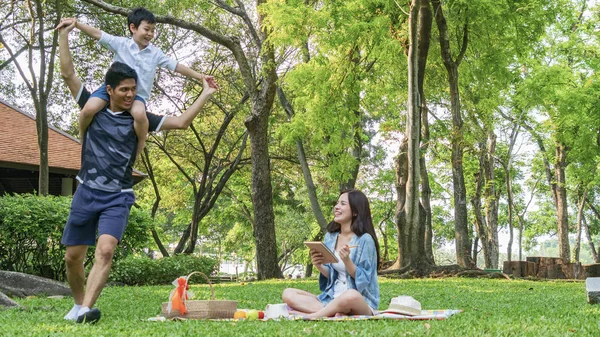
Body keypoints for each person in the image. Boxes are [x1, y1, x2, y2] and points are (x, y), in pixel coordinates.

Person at [57, 21, 217, 324]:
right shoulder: (93, 107)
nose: (131, 94)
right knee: (72, 257)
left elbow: (181, 122)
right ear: (110, 90)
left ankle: (86, 310)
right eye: (125, 90)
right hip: (86, 190)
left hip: (118, 195)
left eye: (134, 89)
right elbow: (68, 73)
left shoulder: (140, 118)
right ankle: (79, 305)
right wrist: (65, 35)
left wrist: (205, 93)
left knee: (105, 251)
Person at [55, 7, 216, 159]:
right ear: (133, 28)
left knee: (139, 115)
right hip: (108, 91)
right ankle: (83, 138)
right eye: (147, 29)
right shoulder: (121, 44)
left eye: (153, 30)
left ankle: (139, 148)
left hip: (139, 96)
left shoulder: (155, 53)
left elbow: (176, 67)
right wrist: (76, 24)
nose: (150, 34)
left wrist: (200, 76)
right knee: (88, 109)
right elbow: (98, 34)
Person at [282, 190, 381, 318]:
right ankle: (333, 312)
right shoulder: (331, 237)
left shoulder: (365, 239)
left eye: (343, 203)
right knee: (288, 293)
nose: (336, 207)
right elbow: (333, 275)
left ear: (355, 211)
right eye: (337, 203)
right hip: (331, 299)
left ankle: (315, 315)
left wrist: (347, 261)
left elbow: (365, 279)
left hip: (359, 300)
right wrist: (318, 266)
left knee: (351, 295)